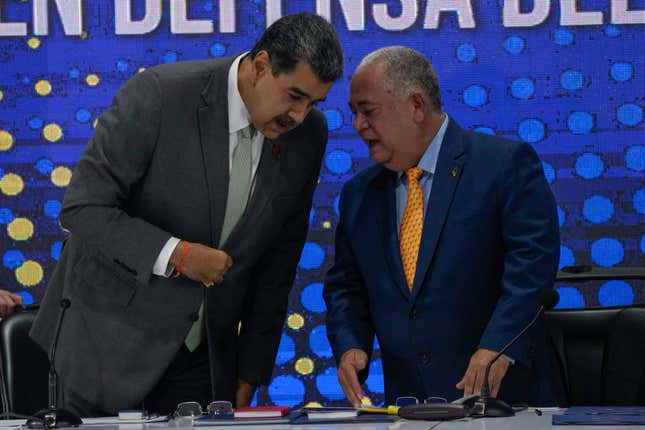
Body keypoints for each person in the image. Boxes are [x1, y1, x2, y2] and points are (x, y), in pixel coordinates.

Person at [30, 12, 343, 417]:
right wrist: (177, 255)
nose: (299, 116)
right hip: (104, 344)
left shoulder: (309, 135)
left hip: (204, 360)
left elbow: (279, 259)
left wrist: (251, 370)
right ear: (260, 66)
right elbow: (83, 208)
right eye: (294, 96)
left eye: (313, 103)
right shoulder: (159, 95)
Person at [324, 46, 559, 407]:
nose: (357, 125)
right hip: (409, 407)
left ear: (416, 105)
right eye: (354, 113)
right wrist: (351, 343)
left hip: (505, 402)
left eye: (368, 111)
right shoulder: (359, 194)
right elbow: (345, 286)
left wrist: (499, 344)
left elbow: (531, 270)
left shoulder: (504, 165)